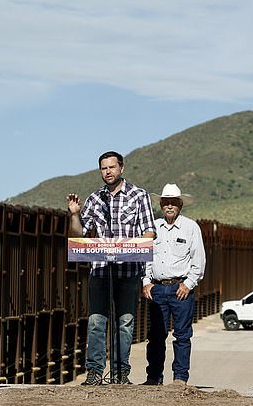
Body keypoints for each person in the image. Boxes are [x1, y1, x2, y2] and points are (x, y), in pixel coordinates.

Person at [67, 151, 156, 386]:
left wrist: (129, 247)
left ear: (122, 168)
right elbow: (79, 234)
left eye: (111, 167)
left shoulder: (138, 196)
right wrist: (75, 216)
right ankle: (95, 372)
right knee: (96, 322)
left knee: (125, 323)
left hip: (128, 271)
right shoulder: (96, 199)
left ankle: (119, 373)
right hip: (100, 271)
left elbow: (149, 231)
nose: (108, 172)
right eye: (103, 168)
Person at [141, 184, 206, 387]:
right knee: (156, 336)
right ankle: (153, 377)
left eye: (173, 202)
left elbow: (199, 260)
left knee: (182, 335)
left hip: (181, 288)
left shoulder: (191, 227)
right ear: (160, 204)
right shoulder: (153, 228)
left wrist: (188, 284)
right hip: (157, 289)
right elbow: (146, 257)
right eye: (165, 202)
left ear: (180, 205)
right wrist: (146, 282)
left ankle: (180, 378)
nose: (169, 206)